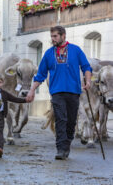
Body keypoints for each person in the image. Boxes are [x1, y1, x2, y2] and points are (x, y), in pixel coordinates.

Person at [26, 26, 92, 160]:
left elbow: (86, 67)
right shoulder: (49, 54)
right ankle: (61, 149)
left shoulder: (75, 50)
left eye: (55, 36)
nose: (53, 39)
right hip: (56, 92)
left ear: (63, 36)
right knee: (61, 119)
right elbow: (40, 75)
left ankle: (66, 144)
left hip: (73, 91)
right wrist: (32, 90)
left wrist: (88, 81)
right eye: (51, 36)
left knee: (71, 121)